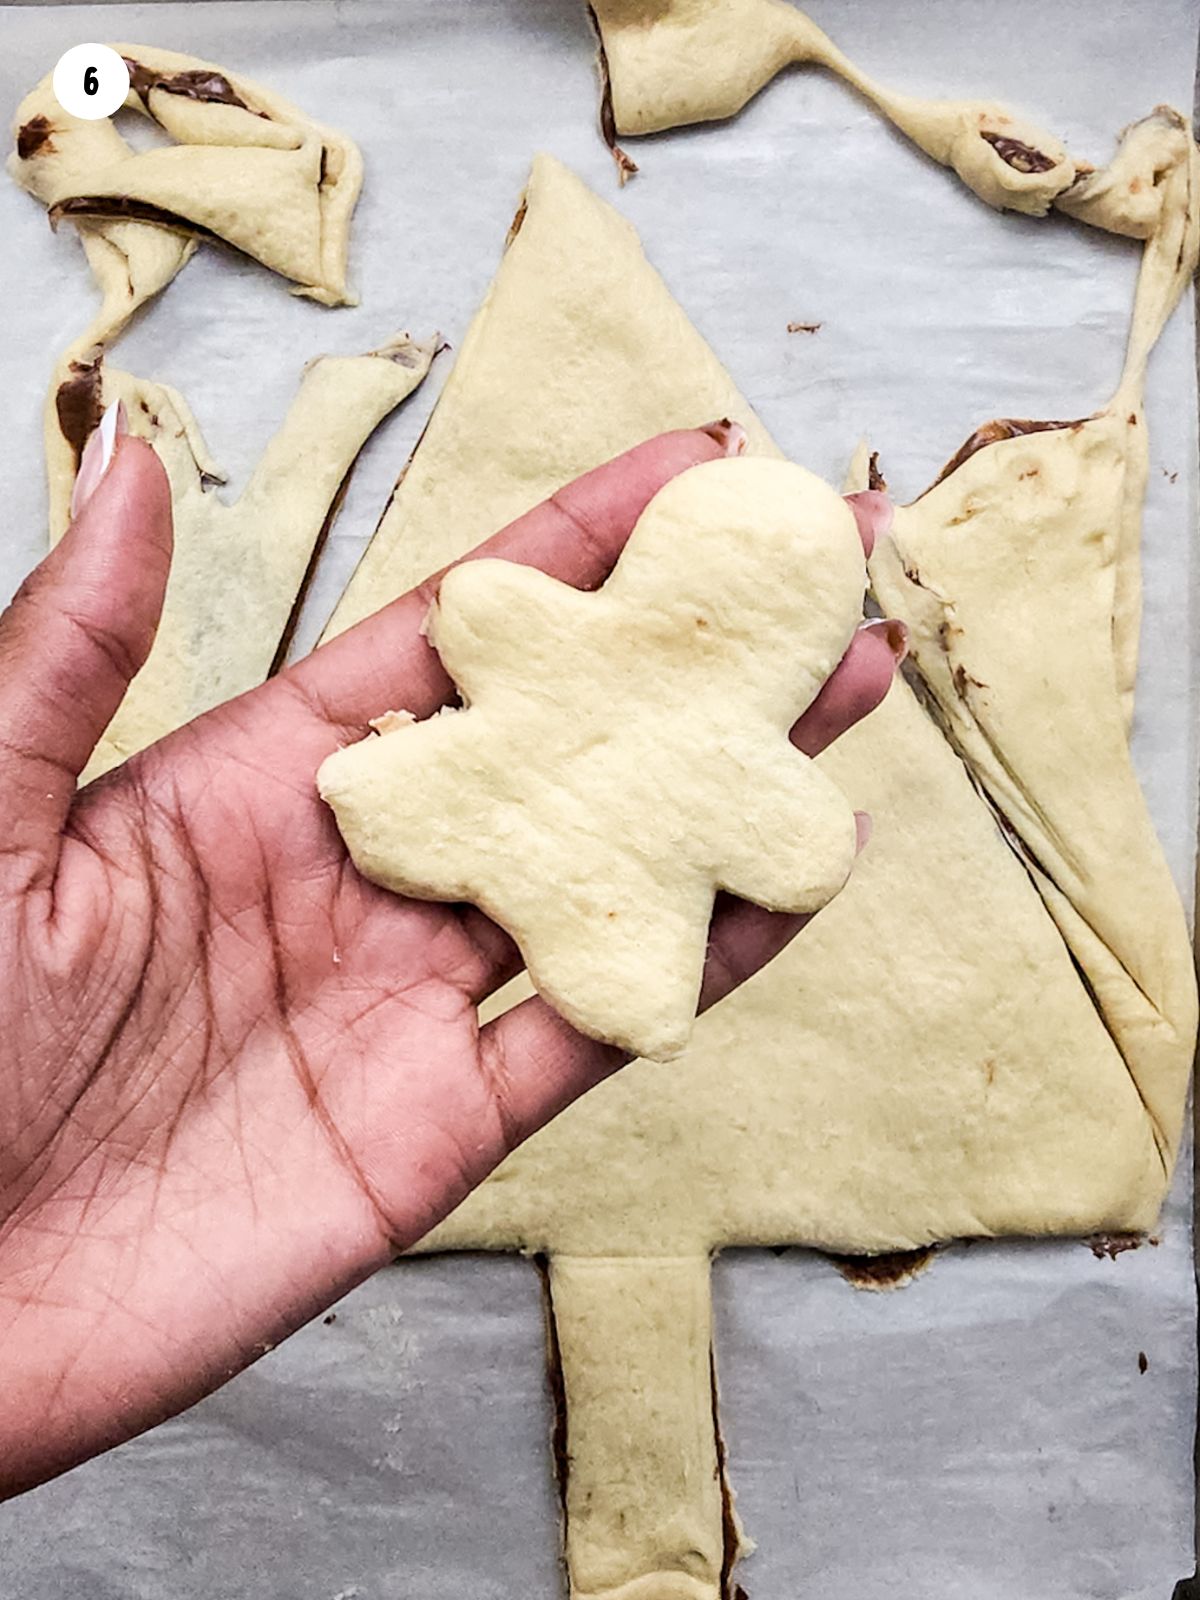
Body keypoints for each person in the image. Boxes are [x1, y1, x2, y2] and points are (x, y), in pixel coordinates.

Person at [0, 408, 902, 1499]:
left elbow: (492, 615)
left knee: (625, 967)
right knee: (473, 854)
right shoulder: (553, 632)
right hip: (477, 812)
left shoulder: (541, 626)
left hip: (589, 886)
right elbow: (789, 832)